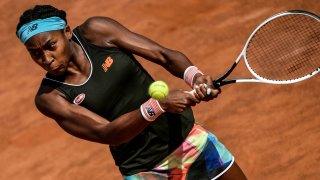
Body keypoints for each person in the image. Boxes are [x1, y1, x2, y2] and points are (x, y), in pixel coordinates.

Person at [16, 5, 246, 180]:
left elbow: (162, 55)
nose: (46, 59)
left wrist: (194, 76)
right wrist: (159, 106)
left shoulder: (96, 32)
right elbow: (107, 133)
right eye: (35, 54)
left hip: (190, 140)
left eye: (50, 46)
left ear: (66, 32)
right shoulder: (50, 98)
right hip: (146, 171)